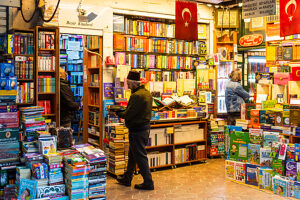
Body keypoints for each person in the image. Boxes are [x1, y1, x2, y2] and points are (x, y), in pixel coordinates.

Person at [113, 71, 154, 190]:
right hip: (143, 128)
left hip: (137, 130)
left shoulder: (137, 95)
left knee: (140, 156)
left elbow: (129, 114)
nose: (128, 86)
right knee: (132, 155)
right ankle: (127, 178)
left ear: (134, 83)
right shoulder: (146, 93)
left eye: (129, 84)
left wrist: (118, 112)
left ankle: (148, 182)